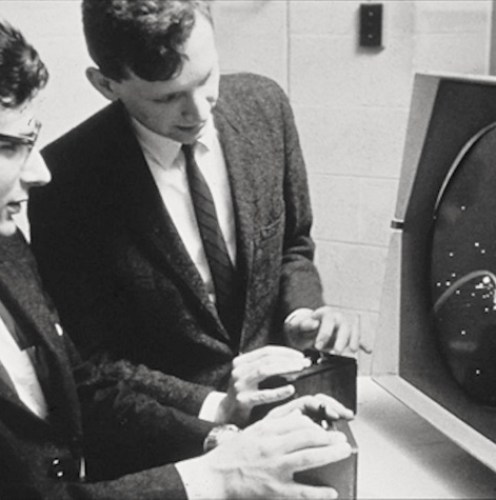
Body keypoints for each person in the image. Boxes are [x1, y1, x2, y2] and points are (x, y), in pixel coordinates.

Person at [0, 17, 355, 499]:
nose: (198, 111)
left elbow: (77, 380)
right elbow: (96, 368)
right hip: (155, 462)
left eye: (207, 78)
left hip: (245, 437)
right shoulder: (68, 181)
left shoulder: (8, 250)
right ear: (106, 85)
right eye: (166, 98)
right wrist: (215, 463)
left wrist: (224, 433)